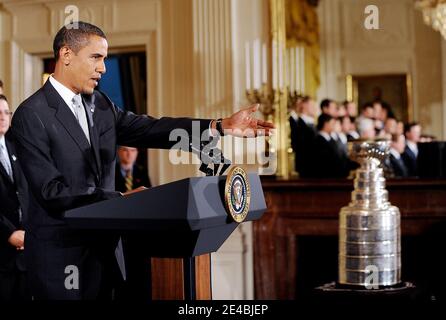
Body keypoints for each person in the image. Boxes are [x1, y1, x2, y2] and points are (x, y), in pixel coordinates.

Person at [10, 21, 274, 300]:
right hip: (62, 261)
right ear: (66, 55)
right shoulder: (31, 114)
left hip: (107, 256)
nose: (103, 68)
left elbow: (151, 129)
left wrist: (219, 126)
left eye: (104, 59)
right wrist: (120, 199)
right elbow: (51, 192)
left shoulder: (99, 104)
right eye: (96, 57)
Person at [0, 94, 30, 301]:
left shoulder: (16, 147)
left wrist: (28, 231)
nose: (3, 117)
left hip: (24, 253)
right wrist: (10, 233)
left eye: (6, 112)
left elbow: (27, 193)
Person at [114, 146, 151, 300]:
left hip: (138, 232)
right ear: (118, 152)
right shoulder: (111, 174)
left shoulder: (141, 173)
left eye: (133, 150)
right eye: (125, 150)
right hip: (117, 231)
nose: (129, 154)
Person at [289, 96, 317, 177]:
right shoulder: (299, 125)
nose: (315, 108)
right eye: (312, 106)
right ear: (304, 105)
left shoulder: (310, 124)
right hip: (305, 169)